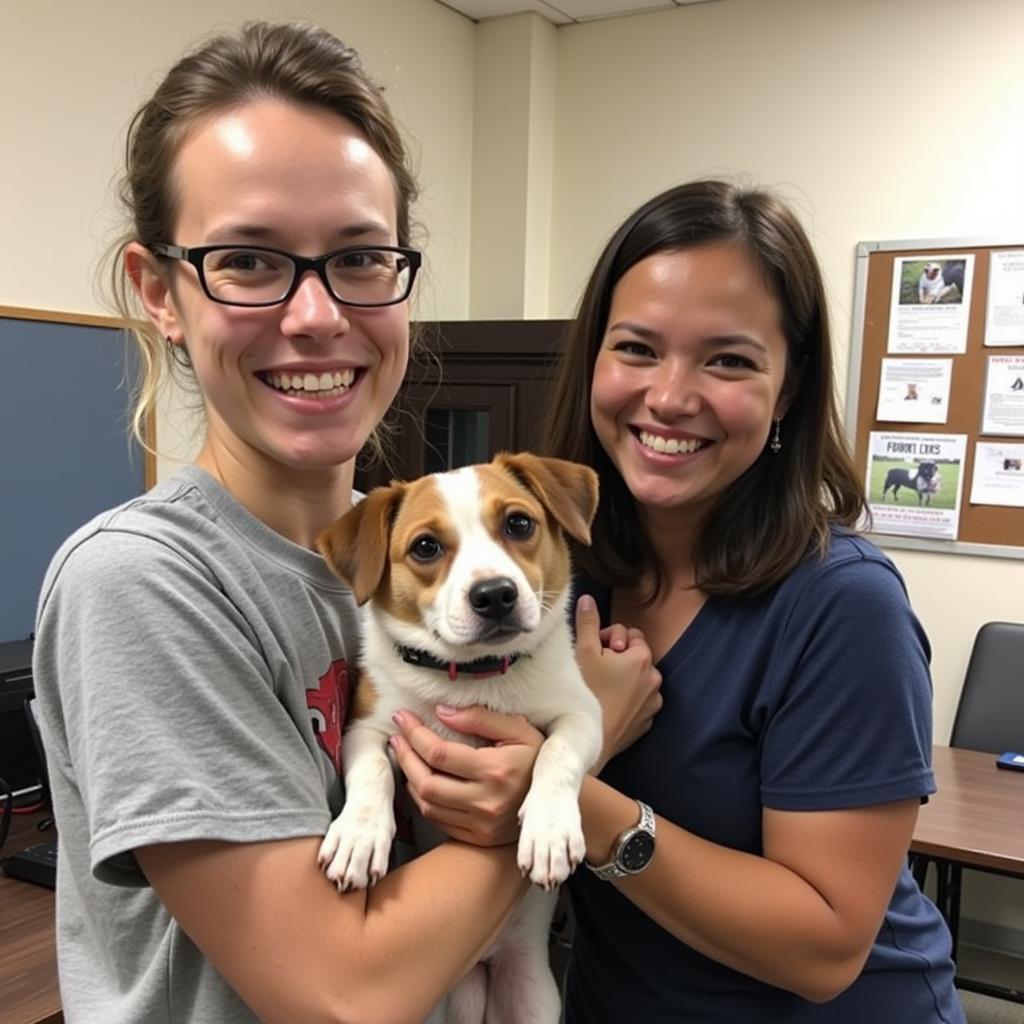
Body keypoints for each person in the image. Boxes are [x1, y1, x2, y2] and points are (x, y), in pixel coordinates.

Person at [32, 21, 635, 1023]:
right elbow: (340, 994)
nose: (315, 316)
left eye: (358, 257)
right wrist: (592, 740)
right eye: (249, 259)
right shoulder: (142, 584)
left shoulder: (395, 547)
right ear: (159, 291)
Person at [539, 180, 966, 1022]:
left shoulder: (842, 607)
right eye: (636, 348)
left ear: (790, 388)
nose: (668, 396)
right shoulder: (555, 577)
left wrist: (572, 786)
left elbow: (825, 946)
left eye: (727, 359)